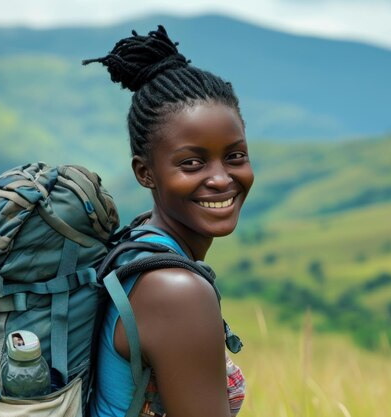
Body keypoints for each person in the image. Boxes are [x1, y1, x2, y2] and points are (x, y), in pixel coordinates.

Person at [83, 25, 254, 417]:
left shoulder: (137, 243)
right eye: (191, 163)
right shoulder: (176, 290)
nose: (221, 178)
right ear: (145, 173)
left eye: (235, 156)